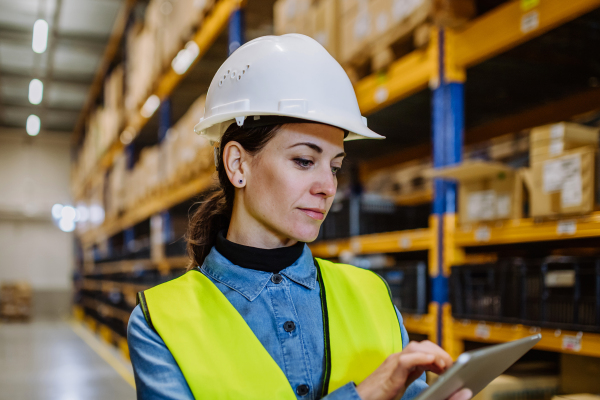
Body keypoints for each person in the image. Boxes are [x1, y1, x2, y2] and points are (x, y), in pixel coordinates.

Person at [127, 34, 473, 400]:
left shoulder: (371, 294)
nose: (327, 186)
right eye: (304, 161)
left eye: (335, 167)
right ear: (238, 164)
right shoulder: (161, 322)